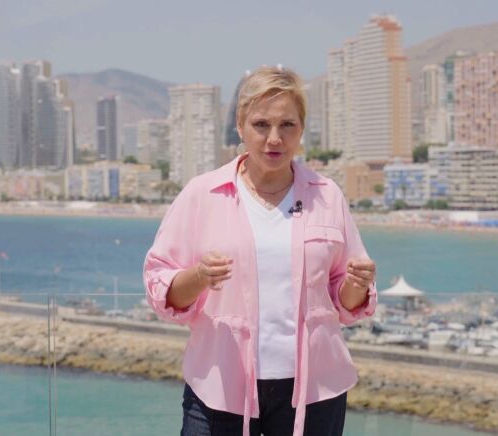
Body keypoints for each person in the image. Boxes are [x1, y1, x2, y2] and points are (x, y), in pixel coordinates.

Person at [143, 65, 377, 436]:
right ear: (240, 126)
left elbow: (345, 301)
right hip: (219, 387)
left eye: (287, 125)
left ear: (302, 129)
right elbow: (161, 288)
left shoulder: (327, 195)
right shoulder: (201, 194)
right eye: (261, 124)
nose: (274, 138)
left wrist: (357, 285)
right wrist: (199, 276)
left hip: (314, 392)